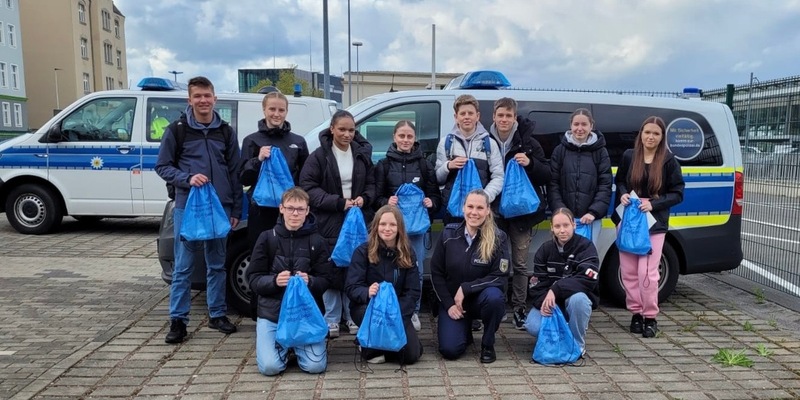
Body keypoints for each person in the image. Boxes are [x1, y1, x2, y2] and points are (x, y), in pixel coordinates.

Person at [155, 76, 243, 344]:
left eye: (207, 96)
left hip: (220, 208)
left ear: (215, 98)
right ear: (189, 100)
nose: (203, 101)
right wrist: (187, 178)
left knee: (216, 265)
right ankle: (178, 321)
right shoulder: (177, 130)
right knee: (183, 267)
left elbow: (235, 172)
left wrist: (236, 208)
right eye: (198, 96)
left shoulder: (226, 132)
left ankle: (217, 315)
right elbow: (162, 167)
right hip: (188, 208)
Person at [299, 109, 376, 339]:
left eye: (351, 130)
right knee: (331, 268)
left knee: (355, 267)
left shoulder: (361, 154)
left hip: (357, 220)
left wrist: (365, 198)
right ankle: (332, 318)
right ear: (332, 129)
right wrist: (338, 203)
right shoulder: (319, 156)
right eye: (342, 129)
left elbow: (372, 184)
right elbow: (308, 187)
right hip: (329, 221)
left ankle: (352, 316)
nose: (347, 134)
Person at [247, 187, 332, 376]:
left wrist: (310, 281)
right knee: (270, 368)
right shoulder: (267, 238)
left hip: (305, 316)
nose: (295, 213)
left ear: (307, 211)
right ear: (281, 208)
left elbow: (327, 279)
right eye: (290, 208)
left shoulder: (317, 241)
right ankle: (283, 346)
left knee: (315, 366)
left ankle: (293, 345)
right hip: (272, 314)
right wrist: (274, 281)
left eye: (300, 209)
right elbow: (253, 279)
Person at [613, 116, 685, 338]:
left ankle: (650, 316)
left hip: (654, 223)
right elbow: (620, 181)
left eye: (656, 133)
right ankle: (635, 313)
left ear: (662, 137)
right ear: (641, 134)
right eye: (647, 132)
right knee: (629, 271)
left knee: (648, 273)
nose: (650, 137)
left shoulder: (669, 161)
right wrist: (624, 193)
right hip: (628, 221)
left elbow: (677, 193)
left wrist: (653, 204)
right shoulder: (629, 156)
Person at [488, 97, 551, 330]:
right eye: (500, 115)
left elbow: (547, 174)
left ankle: (519, 307)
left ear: (515, 117)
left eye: (509, 116)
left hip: (522, 216)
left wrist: (531, 163)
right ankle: (498, 305)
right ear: (493, 116)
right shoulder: (486, 142)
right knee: (496, 261)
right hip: (495, 213)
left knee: (521, 264)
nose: (504, 119)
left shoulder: (529, 142)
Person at [373, 120, 441, 331]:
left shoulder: (424, 165)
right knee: (389, 270)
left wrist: (432, 203)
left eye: (409, 136)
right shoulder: (383, 165)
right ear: (394, 137)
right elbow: (375, 197)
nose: (405, 140)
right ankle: (391, 308)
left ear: (414, 139)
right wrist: (386, 202)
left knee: (415, 270)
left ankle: (412, 312)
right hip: (389, 230)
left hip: (416, 230)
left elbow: (435, 196)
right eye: (401, 136)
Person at [431, 189, 509, 364]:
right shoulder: (448, 234)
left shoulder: (499, 238)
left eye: (480, 208)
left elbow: (500, 276)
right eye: (470, 206)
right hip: (453, 303)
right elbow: (436, 273)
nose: (474, 212)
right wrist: (449, 304)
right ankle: (464, 329)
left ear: (488, 210)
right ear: (463, 208)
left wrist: (467, 288)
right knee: (450, 350)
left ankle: (488, 343)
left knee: (495, 297)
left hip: (480, 300)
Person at [345, 205, 423, 365]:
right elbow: (352, 287)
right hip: (368, 309)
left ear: (399, 228)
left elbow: (413, 291)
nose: (387, 229)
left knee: (411, 356)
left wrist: (396, 314)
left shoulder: (408, 252)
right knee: (377, 353)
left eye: (392, 225)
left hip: (398, 311)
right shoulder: (362, 252)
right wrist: (367, 291)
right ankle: (371, 344)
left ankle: (374, 344)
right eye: (383, 224)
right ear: (376, 226)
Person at [524, 208, 599, 356]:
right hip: (552, 303)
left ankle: (577, 345)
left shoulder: (586, 246)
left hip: (574, 300)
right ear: (552, 228)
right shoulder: (544, 250)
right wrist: (543, 303)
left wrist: (556, 289)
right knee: (532, 326)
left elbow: (588, 280)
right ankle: (561, 338)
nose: (562, 230)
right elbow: (536, 285)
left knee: (579, 300)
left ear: (574, 225)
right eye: (557, 226)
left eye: (566, 225)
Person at [239, 91, 310, 250]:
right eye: (272, 109)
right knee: (261, 252)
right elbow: (243, 178)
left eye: (281, 110)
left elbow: (306, 177)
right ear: (264, 110)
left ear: (286, 111)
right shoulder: (251, 140)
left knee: (290, 252)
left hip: (290, 210)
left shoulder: (298, 141)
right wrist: (258, 160)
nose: (276, 114)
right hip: (261, 211)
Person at [435, 94, 504, 223]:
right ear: (456, 117)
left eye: (470, 113)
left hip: (480, 212)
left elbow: (499, 177)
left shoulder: (490, 143)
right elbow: (437, 178)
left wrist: (484, 197)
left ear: (477, 116)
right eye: (462, 113)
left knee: (481, 243)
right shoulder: (446, 143)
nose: (466, 117)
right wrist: (448, 166)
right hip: (452, 212)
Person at [548, 108, 612, 245]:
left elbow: (605, 185)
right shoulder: (560, 151)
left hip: (591, 220)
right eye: (576, 124)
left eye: (584, 124)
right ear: (571, 126)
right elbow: (553, 184)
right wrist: (562, 212)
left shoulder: (600, 152)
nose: (580, 128)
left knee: (587, 258)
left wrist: (593, 212)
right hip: (564, 221)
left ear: (591, 126)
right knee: (563, 259)